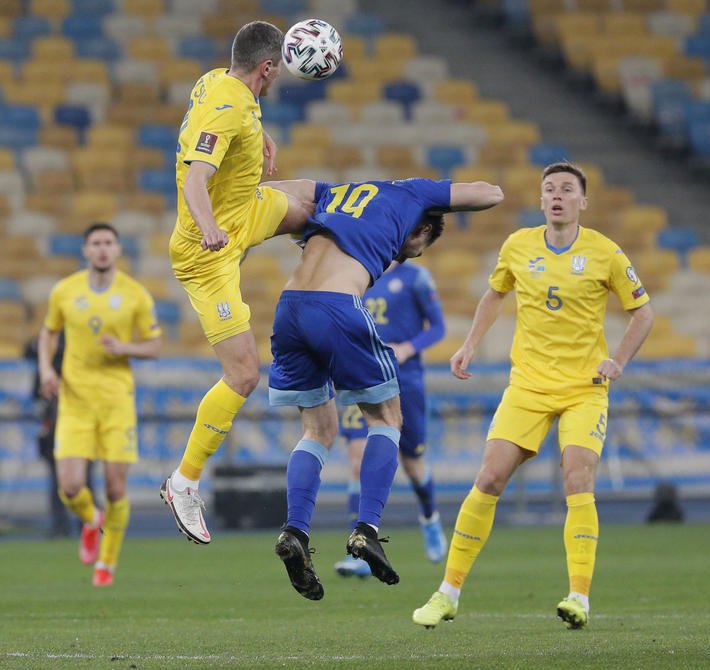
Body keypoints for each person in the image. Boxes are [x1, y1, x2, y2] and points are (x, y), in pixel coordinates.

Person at [413, 161, 654, 629]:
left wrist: (618, 360)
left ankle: (579, 597)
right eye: (550, 189)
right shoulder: (518, 246)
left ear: (583, 201)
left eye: (567, 189)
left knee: (577, 478)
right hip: (527, 385)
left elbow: (642, 312)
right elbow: (493, 295)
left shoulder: (604, 252)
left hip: (585, 389)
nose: (557, 195)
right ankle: (448, 592)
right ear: (541, 201)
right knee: (489, 478)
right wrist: (468, 345)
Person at [269, 176, 503, 601]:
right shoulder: (412, 199)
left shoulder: (334, 193)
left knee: (318, 430)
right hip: (337, 307)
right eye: (417, 248)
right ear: (424, 229)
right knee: (388, 419)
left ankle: (295, 531)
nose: (407, 253)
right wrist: (432, 197)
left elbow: (278, 188)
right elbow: (491, 193)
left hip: (287, 310)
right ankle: (366, 530)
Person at [160, 20, 319, 545]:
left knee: (314, 206)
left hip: (244, 209)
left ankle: (379, 244)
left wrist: (262, 136)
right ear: (267, 67)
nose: (274, 83)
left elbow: (225, 120)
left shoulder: (216, 82)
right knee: (245, 374)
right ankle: (183, 482)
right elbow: (194, 177)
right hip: (208, 252)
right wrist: (206, 226)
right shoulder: (227, 106)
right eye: (276, 75)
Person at [38, 223, 163, 586]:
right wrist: (47, 369)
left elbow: (154, 346)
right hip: (75, 400)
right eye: (96, 243)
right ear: (85, 250)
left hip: (116, 401)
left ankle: (106, 565)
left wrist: (126, 348)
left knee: (115, 488)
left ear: (119, 249)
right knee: (71, 487)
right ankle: (92, 519)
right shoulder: (65, 291)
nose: (103, 249)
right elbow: (49, 332)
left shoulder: (136, 294)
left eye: (109, 242)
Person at [334, 260, 448, 578]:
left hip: (404, 380)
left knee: (413, 465)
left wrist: (408, 348)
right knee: (358, 461)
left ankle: (429, 519)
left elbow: (438, 327)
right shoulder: (355, 272)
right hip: (360, 378)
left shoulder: (416, 276)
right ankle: (358, 551)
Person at [24, 332, 73, 538]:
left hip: (76, 419)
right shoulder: (47, 343)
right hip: (53, 424)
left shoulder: (68, 343)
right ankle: (60, 524)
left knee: (79, 478)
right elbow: (27, 350)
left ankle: (87, 524)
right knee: (57, 478)